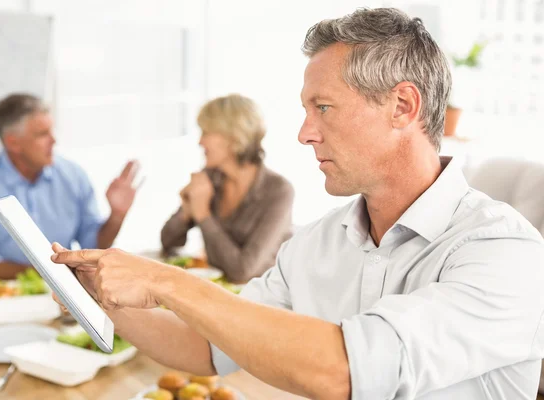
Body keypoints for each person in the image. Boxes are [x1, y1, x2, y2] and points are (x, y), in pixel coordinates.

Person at [51, 8, 544, 400]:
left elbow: (346, 373)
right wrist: (101, 297)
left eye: (323, 108)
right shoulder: (316, 243)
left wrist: (162, 280)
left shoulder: (504, 252)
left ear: (403, 107)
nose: (305, 133)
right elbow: (207, 347)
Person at [0, 93, 139, 285]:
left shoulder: (72, 176)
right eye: (42, 134)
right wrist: (46, 271)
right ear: (13, 142)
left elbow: (93, 247)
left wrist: (117, 215)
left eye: (51, 131)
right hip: (4, 299)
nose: (54, 140)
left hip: (64, 296)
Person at [160, 94, 294, 283]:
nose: (200, 142)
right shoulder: (210, 178)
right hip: (218, 294)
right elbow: (167, 243)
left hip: (264, 301)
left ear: (233, 136)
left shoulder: (278, 191)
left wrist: (203, 215)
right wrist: (187, 211)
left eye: (206, 132)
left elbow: (243, 271)